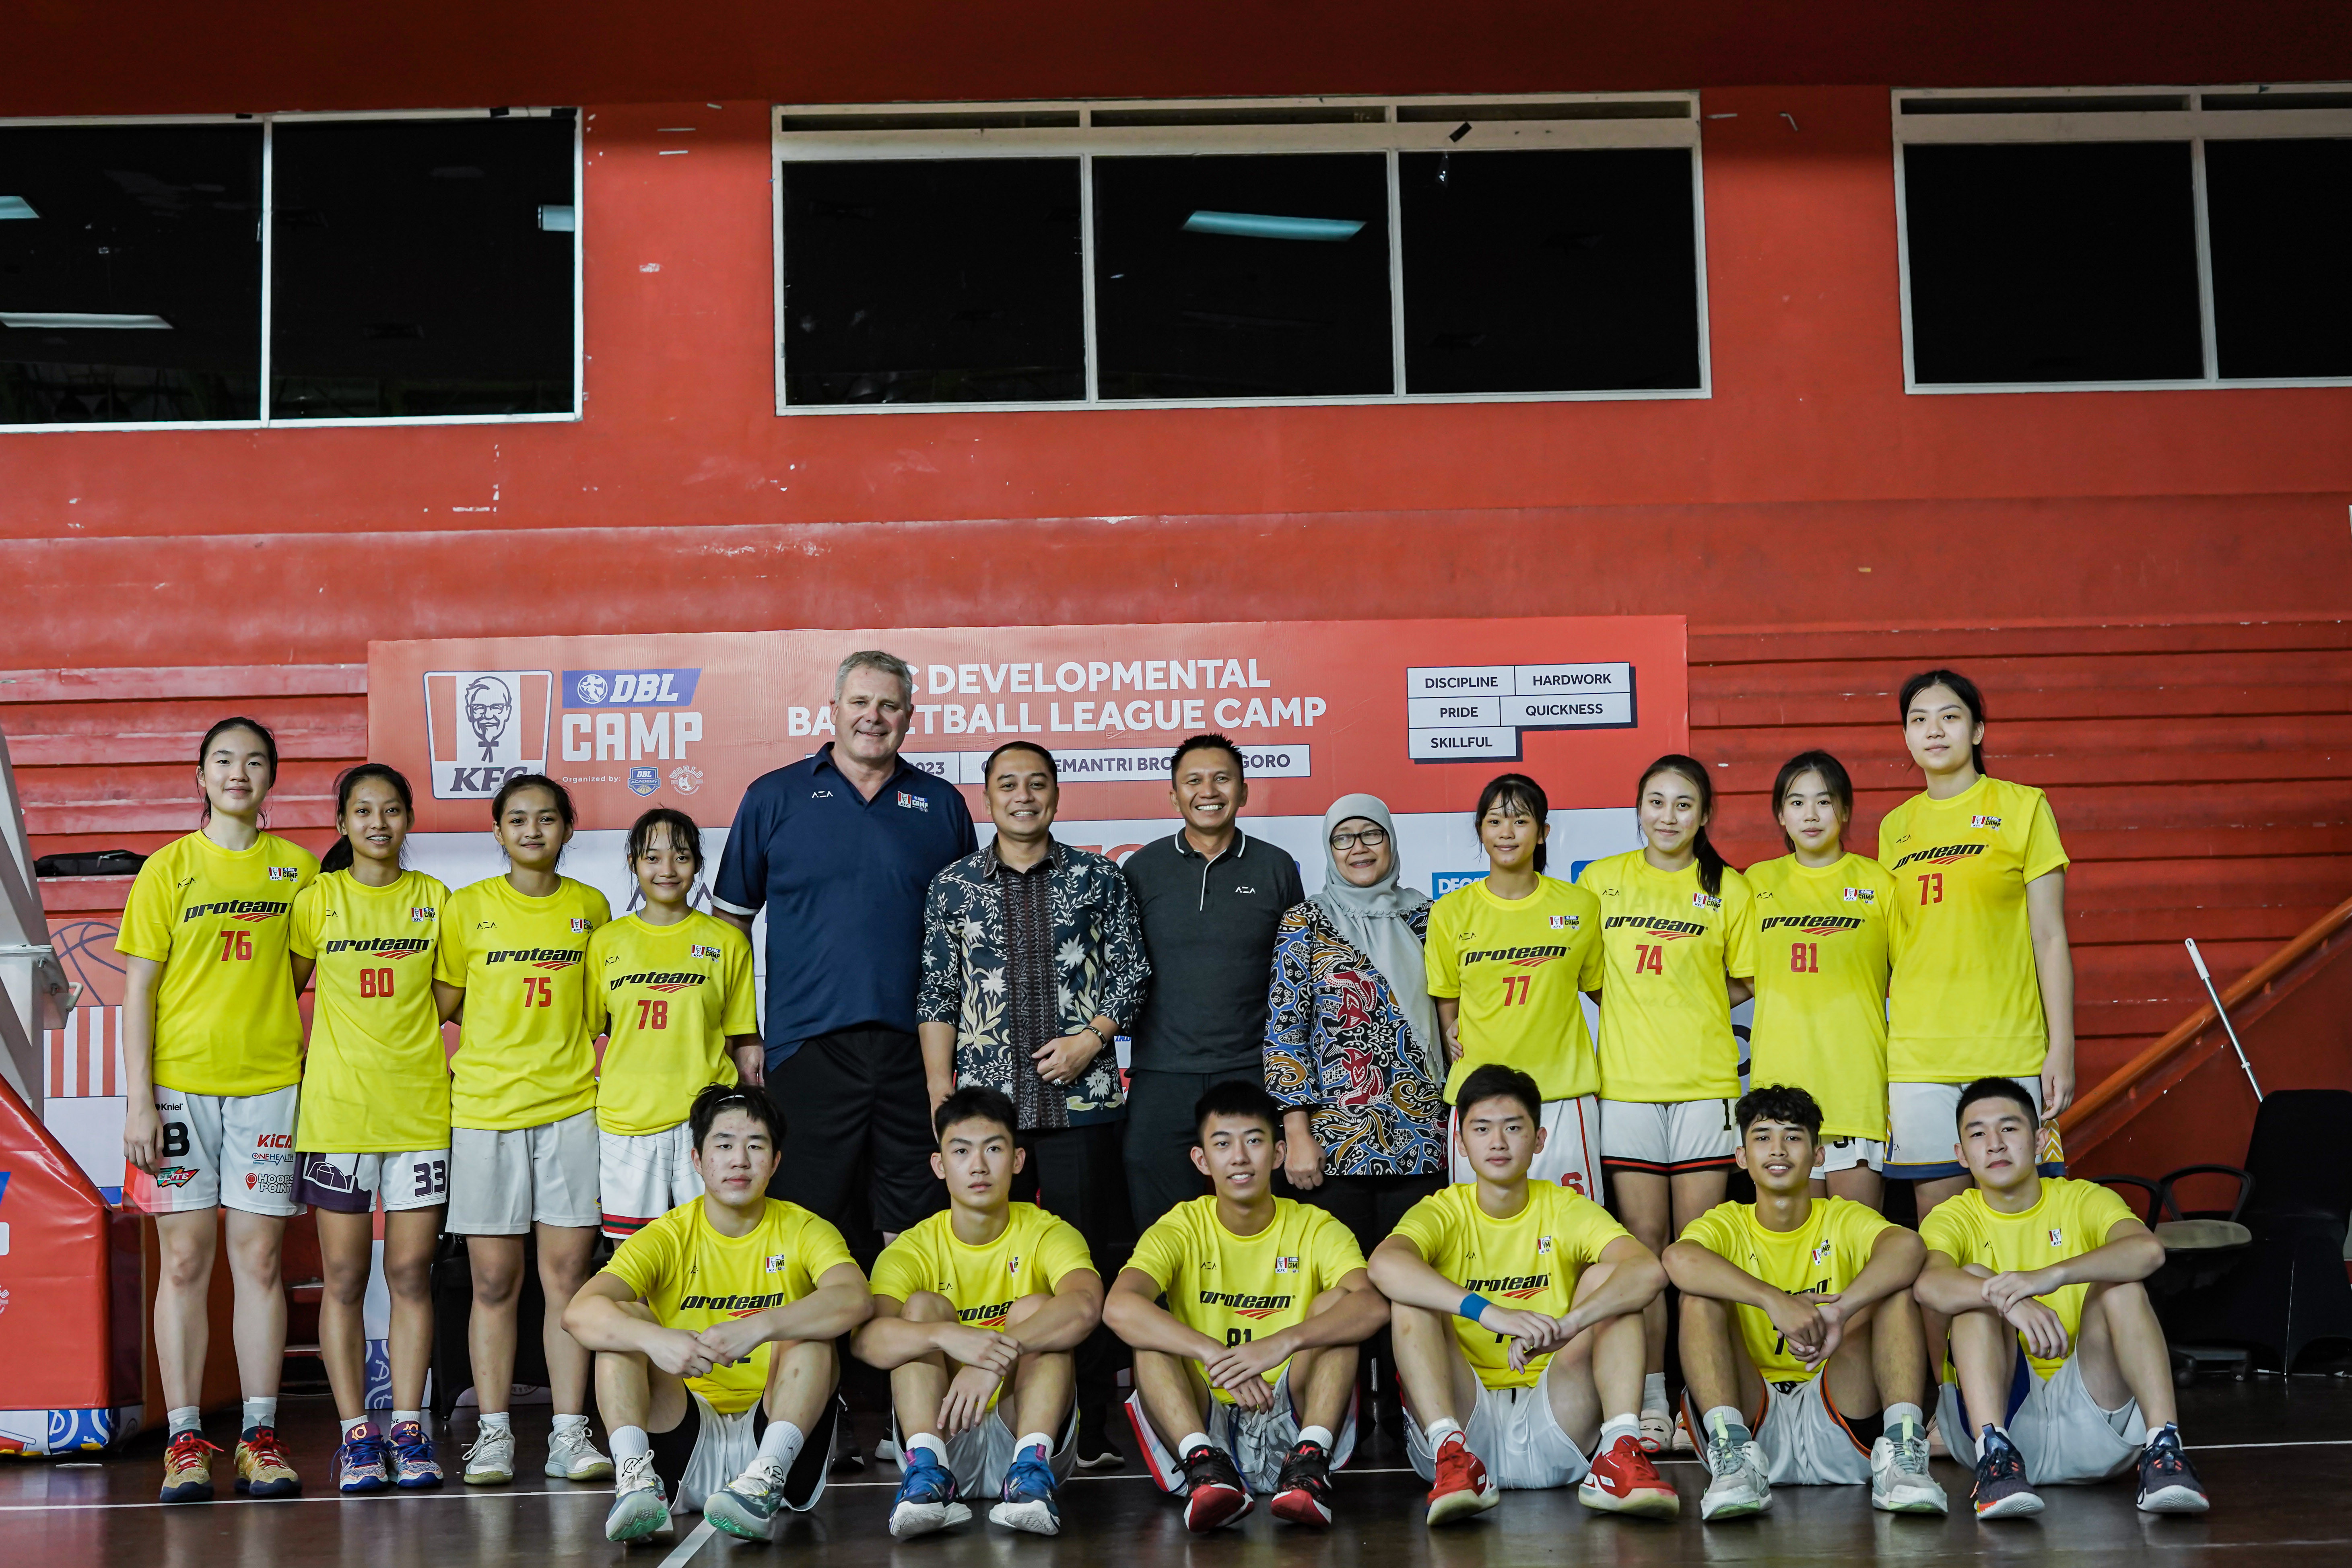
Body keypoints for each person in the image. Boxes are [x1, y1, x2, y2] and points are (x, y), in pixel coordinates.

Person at [916, 741, 1146, 1469]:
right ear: (986, 798)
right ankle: (990, 1417)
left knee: (1087, 1264)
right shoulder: (953, 886)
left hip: (1084, 1103)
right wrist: (939, 1086)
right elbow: (937, 991)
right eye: (1008, 784)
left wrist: (1091, 1039)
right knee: (996, 1266)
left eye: (1037, 783)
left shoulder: (1098, 877)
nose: (1024, 796)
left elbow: (1132, 976)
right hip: (990, 1112)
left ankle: (1091, 1425)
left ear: (1056, 794)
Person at [119, 717, 319, 1504]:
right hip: (178, 1089)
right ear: (201, 776)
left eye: (255, 761)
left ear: (271, 777)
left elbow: (296, 972)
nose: (240, 772)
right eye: (224, 760)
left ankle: (260, 1437)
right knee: (184, 1261)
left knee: (260, 1261)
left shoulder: (299, 870)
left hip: (269, 1085)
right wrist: (139, 1098)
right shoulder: (167, 869)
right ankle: (185, 1441)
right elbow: (139, 990)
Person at [713, 650, 976, 1242]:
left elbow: (969, 936)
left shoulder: (942, 805)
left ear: (909, 716)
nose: (872, 716)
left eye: (888, 705)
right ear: (833, 709)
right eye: (859, 702)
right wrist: (743, 1033)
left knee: (916, 1231)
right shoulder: (773, 796)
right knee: (806, 1228)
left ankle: (906, 1311)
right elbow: (728, 928)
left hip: (919, 1051)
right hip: (806, 1047)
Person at [1369, 1065, 1677, 1527]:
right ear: (1460, 1142)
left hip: (1557, 1414)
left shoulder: (1565, 1206)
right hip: (1466, 1420)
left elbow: (1647, 1270)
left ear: (1538, 1140)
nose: (1497, 1142)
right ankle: (1450, 1451)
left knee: (1613, 1283)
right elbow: (1383, 1265)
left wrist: (1570, 1325)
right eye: (1481, 1129)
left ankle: (1618, 1450)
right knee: (1411, 1292)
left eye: (1513, 1128)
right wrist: (1490, 1313)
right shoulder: (1443, 1211)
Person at [565, 1085, 872, 1543]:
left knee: (809, 1331)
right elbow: (579, 1313)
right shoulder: (667, 1235)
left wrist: (761, 1326)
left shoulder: (806, 1228)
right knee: (623, 1323)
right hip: (685, 1433)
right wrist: (656, 1340)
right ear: (697, 1159)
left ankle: (763, 1482)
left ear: (776, 1161)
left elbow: (855, 1298)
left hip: (776, 1434)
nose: (739, 1161)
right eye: (724, 1145)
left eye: (755, 1146)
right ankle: (636, 1482)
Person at [1913, 1078, 2208, 1519]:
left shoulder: (2082, 1198)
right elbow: (1928, 1285)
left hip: (2093, 1417)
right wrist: (2007, 1298)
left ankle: (2164, 1449)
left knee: (2122, 1283)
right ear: (1962, 1154)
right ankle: (1994, 1455)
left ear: (2040, 1142)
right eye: (1977, 1134)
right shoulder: (1953, 1216)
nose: (1994, 1144)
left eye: (2009, 1129)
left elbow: (2148, 1251)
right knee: (1973, 1283)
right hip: (2006, 1415)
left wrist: (2048, 1277)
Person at [433, 775, 614, 1487]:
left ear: (568, 828)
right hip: (485, 1112)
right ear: (497, 832)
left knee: (567, 1277)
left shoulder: (590, 908)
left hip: (570, 1108)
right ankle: (494, 1434)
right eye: (517, 819)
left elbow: (599, 1010)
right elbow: (446, 1003)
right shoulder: (468, 907)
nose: (532, 830)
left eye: (546, 818)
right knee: (493, 1280)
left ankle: (569, 1433)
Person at [1103, 1081, 1387, 1532]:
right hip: (1204, 1417)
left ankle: (1309, 1465)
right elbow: (1118, 1307)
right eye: (1222, 1144)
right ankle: (1204, 1470)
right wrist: (1214, 1353)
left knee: (1340, 1306)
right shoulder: (1181, 1225)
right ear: (1202, 1160)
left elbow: (1372, 1306)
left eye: (1254, 1141)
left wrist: (1281, 1343)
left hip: (1292, 1411)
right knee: (1150, 1330)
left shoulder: (1316, 1226)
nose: (1239, 1157)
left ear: (1277, 1154)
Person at [1577, 754, 1756, 1449]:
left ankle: (1703, 1399)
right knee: (1646, 1247)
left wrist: (1692, 1002)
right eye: (1656, 802)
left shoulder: (1729, 888)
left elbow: (1745, 979)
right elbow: (1589, 975)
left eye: (1684, 804)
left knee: (1698, 1249)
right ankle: (1652, 1395)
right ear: (1639, 809)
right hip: (1627, 1087)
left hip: (1706, 1087)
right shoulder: (1601, 881)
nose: (1669, 816)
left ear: (1704, 815)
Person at [1664, 1084, 1945, 1521]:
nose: (1778, 1149)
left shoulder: (1840, 1215)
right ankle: (1731, 1457)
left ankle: (1902, 1454)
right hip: (1753, 1416)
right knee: (1698, 1298)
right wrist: (1773, 1300)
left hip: (1840, 1404)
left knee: (1894, 1291)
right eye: (1762, 1137)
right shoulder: (1727, 1222)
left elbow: (1908, 1247)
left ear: (1817, 1156)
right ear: (1742, 1157)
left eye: (1793, 1137)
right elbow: (1677, 1258)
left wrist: (1840, 1310)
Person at [289, 764, 456, 1493]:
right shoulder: (317, 901)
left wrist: (405, 1038)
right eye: (363, 811)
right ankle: (357, 1435)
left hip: (419, 1113)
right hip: (338, 1116)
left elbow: (449, 995)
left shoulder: (435, 900)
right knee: (346, 1277)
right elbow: (283, 988)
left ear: (408, 819)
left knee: (411, 1273)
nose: (378, 823)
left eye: (391, 810)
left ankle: (410, 1428)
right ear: (343, 823)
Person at [855, 1086, 1106, 1539]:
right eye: (961, 1151)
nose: (978, 1166)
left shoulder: (1048, 1231)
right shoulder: (912, 1247)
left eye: (993, 1149)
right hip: (947, 1429)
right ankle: (927, 1472)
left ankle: (1030, 1476)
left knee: (1039, 1310)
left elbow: (1086, 1305)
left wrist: (994, 1358)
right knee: (922, 1310)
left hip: (1025, 1428)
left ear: (1017, 1160)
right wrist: (944, 1336)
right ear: (939, 1165)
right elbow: (867, 1340)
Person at [1881, 671, 2074, 1214]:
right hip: (1918, 1058)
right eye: (1918, 720)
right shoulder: (1894, 827)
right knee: (1941, 1225)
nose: (1933, 730)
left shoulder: (2023, 807)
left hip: (2009, 1050)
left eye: (1949, 717)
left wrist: (2061, 1046)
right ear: (1906, 736)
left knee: (2023, 1217)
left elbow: (2049, 936)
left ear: (1977, 730)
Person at [1121, 734, 1305, 1234]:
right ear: (1173, 795)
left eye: (1222, 779)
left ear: (1243, 792)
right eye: (1194, 781)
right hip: (1162, 1072)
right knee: (1159, 1227)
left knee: (1262, 1220)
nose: (1209, 791)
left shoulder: (1276, 867)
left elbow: (1296, 979)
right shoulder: (1142, 869)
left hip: (1251, 1070)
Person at [1423, 774, 1607, 1197]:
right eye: (1495, 821)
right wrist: (1452, 1033)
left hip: (1562, 1096)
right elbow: (1447, 1000)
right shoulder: (1450, 911)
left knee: (1572, 1228)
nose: (1506, 832)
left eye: (1520, 821)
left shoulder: (1580, 906)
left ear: (1543, 833)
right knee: (1479, 1228)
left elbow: (1602, 991)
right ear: (1480, 831)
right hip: (1479, 1098)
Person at [589, 808, 761, 1240]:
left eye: (681, 857)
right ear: (633, 863)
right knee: (634, 1256)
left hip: (705, 1120)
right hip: (627, 1120)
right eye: (653, 858)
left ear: (698, 863)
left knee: (712, 1247)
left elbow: (740, 1036)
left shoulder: (727, 941)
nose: (667, 869)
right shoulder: (605, 942)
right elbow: (589, 1027)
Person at [1742, 752, 1900, 1209]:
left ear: (1844, 810)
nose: (1810, 815)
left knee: (1857, 1237)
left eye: (1824, 802)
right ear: (1780, 814)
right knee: (1793, 1238)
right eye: (1796, 803)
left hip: (1856, 1088)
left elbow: (1911, 974)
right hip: (1780, 1092)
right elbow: (1742, 976)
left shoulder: (1879, 882)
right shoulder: (1754, 884)